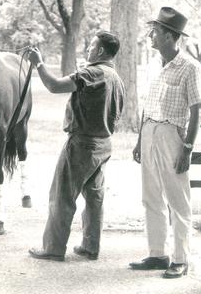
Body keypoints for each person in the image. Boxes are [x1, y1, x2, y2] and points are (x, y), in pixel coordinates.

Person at [27, 30, 125, 262]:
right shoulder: (116, 78)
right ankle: (91, 247)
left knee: (62, 195)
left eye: (91, 46)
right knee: (94, 197)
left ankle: (53, 248)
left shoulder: (91, 73)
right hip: (103, 145)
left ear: (100, 51)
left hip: (82, 144)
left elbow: (54, 86)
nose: (88, 50)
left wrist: (38, 63)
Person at [129, 7, 201, 278]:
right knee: (150, 197)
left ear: (171, 37)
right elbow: (146, 107)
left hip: (173, 135)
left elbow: (196, 110)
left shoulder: (190, 67)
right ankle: (157, 254)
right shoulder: (152, 64)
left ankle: (181, 259)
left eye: (157, 31)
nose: (151, 35)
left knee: (178, 200)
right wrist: (140, 140)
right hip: (149, 131)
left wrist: (187, 148)